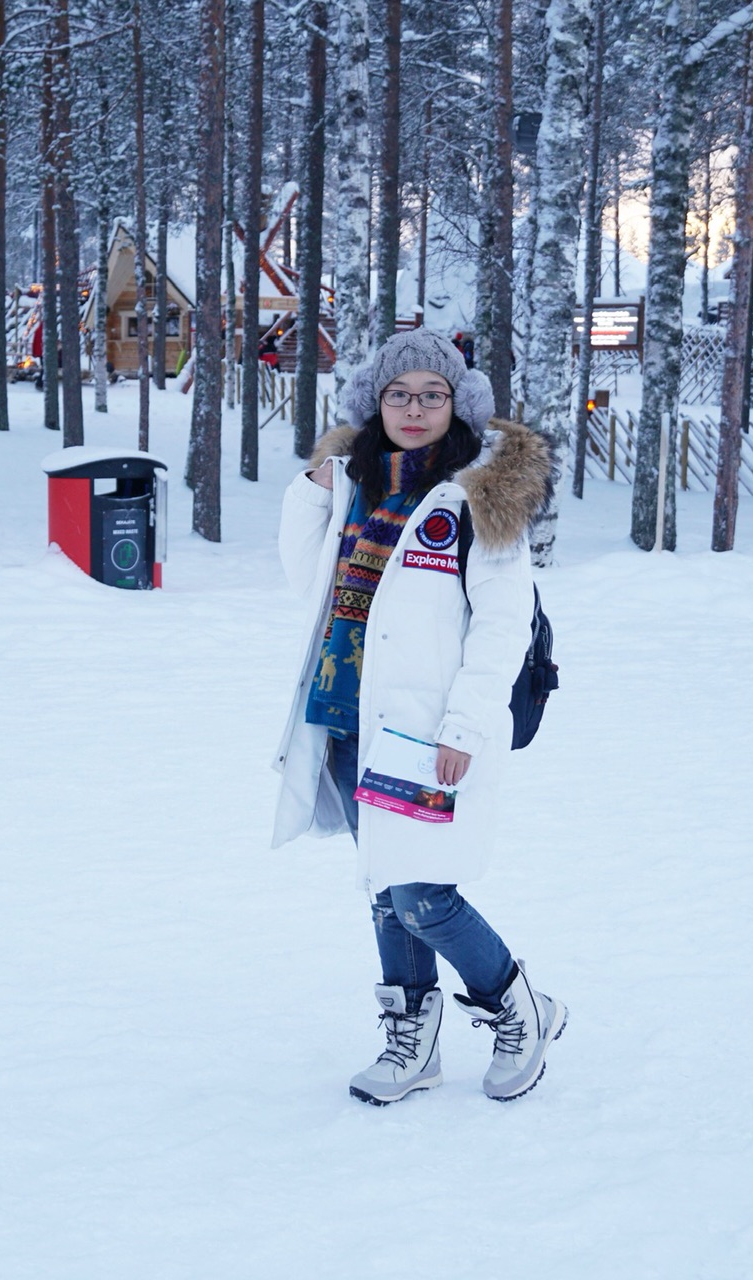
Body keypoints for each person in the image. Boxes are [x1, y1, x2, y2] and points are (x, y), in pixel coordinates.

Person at [272, 329, 566, 1106]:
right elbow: (308, 583)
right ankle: (414, 1041)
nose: (413, 408)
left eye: (431, 395)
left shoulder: (478, 494)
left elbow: (502, 622)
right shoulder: (358, 482)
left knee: (422, 896)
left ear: (457, 404)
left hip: (425, 731)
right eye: (398, 393)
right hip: (346, 716)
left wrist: (465, 727)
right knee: (383, 883)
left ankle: (516, 1004)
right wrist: (313, 485)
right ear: (376, 400)